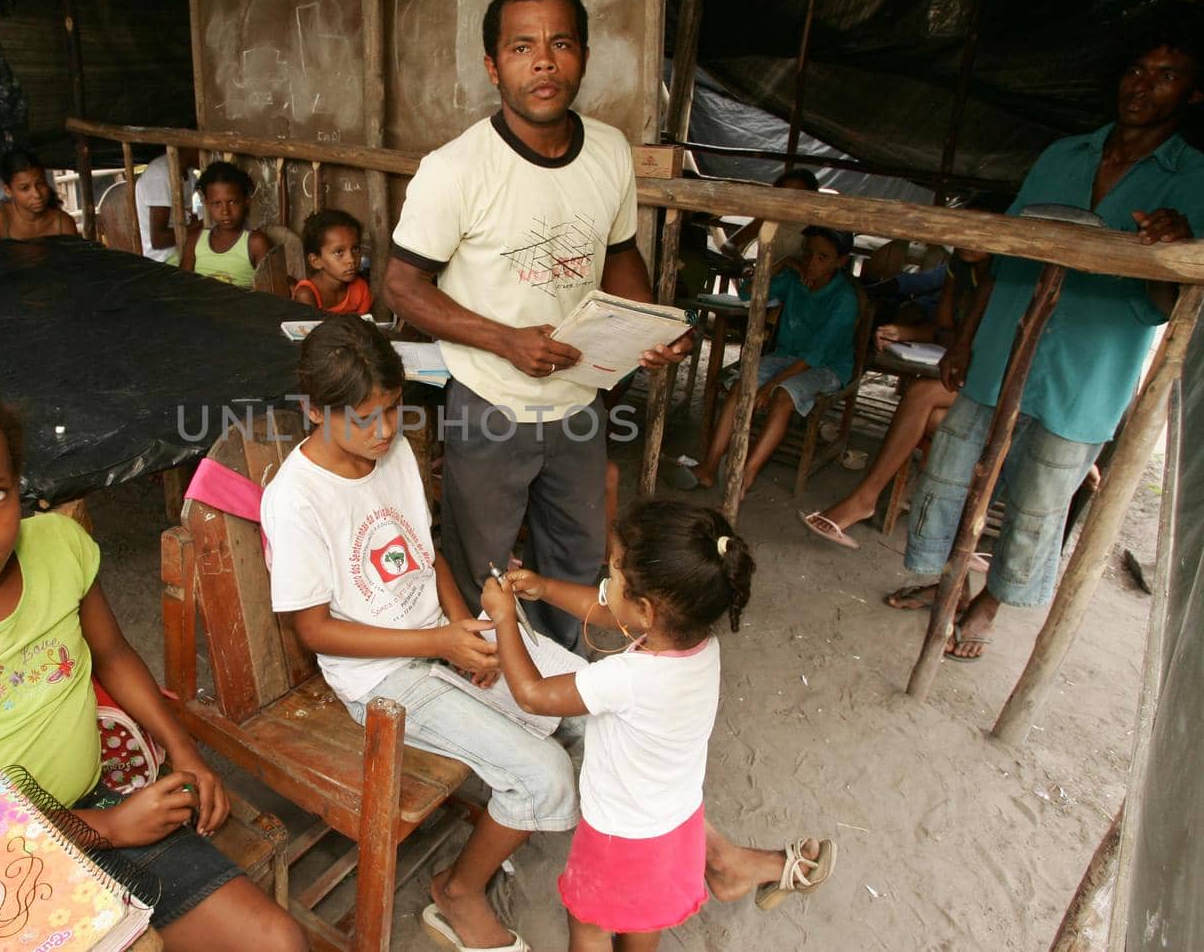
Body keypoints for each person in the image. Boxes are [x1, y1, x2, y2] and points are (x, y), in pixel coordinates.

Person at [0, 345, 305, 952]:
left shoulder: (58, 545)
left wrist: (186, 754)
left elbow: (113, 656)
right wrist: (109, 828)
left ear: (18, 483)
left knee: (277, 939)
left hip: (93, 802)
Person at [383, 0, 690, 653]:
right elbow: (403, 284)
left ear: (583, 55)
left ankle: (557, 680)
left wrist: (651, 326)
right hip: (491, 402)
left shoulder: (609, 151)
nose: (543, 61)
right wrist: (504, 341)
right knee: (483, 562)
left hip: (580, 400)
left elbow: (619, 253)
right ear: (494, 66)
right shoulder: (456, 168)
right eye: (521, 47)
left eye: (560, 43)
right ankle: (485, 679)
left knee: (577, 558)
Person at [894, 11, 1204, 661]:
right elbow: (1004, 256)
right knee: (951, 470)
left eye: (1167, 74)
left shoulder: (1193, 180)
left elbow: (1172, 303)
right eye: (1136, 69)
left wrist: (1172, 248)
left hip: (1087, 370)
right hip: (1003, 345)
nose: (1144, 85)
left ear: (1195, 93)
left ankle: (991, 602)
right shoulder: (1065, 154)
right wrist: (964, 338)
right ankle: (952, 579)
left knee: (1038, 500)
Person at [263, 316, 570, 952]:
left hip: (436, 636)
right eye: (365, 418)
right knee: (545, 774)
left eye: (393, 411)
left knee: (590, 697)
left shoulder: (393, 451)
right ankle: (457, 892)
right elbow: (315, 630)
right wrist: (439, 647)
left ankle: (651, 838)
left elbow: (426, 553)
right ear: (314, 411)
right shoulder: (296, 499)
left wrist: (461, 625)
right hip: (380, 678)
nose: (383, 433)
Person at [484, 502, 834, 949]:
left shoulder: (627, 679)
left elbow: (532, 694)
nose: (604, 582)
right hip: (676, 823)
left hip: (619, 837)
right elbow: (615, 613)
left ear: (647, 609)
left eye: (613, 575)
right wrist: (545, 587)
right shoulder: (699, 642)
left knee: (589, 925)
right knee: (641, 920)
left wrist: (502, 617)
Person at [800, 247, 993, 548]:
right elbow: (943, 328)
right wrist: (903, 332)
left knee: (920, 393)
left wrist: (949, 338)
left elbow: (972, 341)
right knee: (933, 421)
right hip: (968, 382)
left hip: (999, 388)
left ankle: (866, 499)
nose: (967, 243)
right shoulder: (958, 271)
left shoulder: (1010, 282)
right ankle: (939, 524)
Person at [677, 226, 859, 500]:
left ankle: (746, 475)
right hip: (787, 356)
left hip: (827, 367)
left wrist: (772, 384)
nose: (811, 262)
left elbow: (815, 356)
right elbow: (748, 293)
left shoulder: (845, 299)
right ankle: (709, 466)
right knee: (742, 385)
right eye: (808, 253)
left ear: (841, 262)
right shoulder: (794, 279)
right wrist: (781, 265)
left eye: (823, 257)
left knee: (783, 396)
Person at [180, 161, 270, 288]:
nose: (225, 211)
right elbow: (183, 287)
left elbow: (269, 296)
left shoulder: (255, 243)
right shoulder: (194, 241)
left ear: (246, 202)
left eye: (232, 202)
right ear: (206, 204)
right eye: (217, 203)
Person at [0, 149, 79, 242]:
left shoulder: (62, 224)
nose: (37, 194)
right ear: (8, 190)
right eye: (25, 188)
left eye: (40, 184)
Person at [722, 167, 819, 266]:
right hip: (765, 278)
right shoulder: (768, 219)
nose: (789, 199)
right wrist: (743, 264)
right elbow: (728, 246)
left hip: (799, 280)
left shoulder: (814, 224)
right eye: (785, 193)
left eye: (797, 195)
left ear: (810, 197)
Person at [292, 209, 372, 314]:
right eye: (339, 252)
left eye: (355, 249)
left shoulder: (360, 289)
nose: (351, 259)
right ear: (316, 261)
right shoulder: (307, 294)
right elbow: (311, 330)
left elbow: (365, 327)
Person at [135, 149, 196, 263]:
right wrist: (199, 227)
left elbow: (187, 216)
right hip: (164, 257)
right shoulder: (160, 175)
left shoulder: (189, 173)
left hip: (184, 247)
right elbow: (158, 239)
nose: (214, 155)